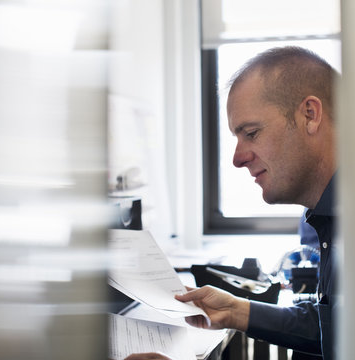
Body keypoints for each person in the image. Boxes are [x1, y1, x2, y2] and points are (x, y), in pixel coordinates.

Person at [125, 46, 339, 360]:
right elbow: (334, 328)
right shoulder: (336, 215)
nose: (238, 159)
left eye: (251, 133)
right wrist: (236, 311)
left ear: (310, 115)